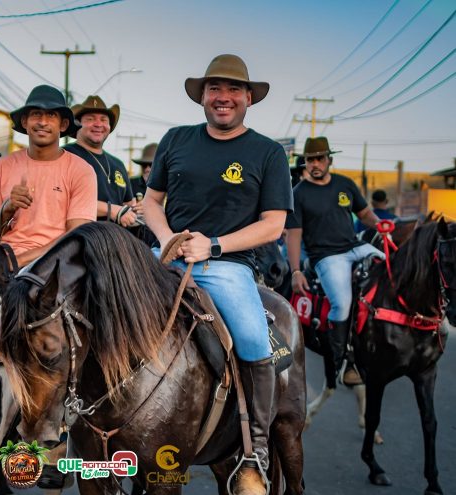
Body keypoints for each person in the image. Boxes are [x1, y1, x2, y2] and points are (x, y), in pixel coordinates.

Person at [142, 54, 291, 495]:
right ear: (203, 96)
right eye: (214, 89)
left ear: (248, 98)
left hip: (226, 265)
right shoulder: (176, 139)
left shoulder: (267, 152)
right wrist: (169, 238)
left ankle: (255, 448)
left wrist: (215, 245)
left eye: (232, 91)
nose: (222, 98)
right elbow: (152, 201)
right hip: (165, 256)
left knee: (252, 340)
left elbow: (273, 223)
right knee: (103, 314)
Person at [286, 136, 382, 387]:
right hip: (327, 258)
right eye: (310, 160)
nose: (315, 164)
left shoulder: (345, 185)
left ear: (329, 160)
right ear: (305, 162)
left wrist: (380, 225)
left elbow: (364, 213)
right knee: (341, 302)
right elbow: (293, 235)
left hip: (356, 247)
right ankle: (342, 361)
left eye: (319, 158)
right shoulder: (299, 194)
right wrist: (296, 271)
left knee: (386, 262)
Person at [0, 85, 97, 267]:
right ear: (25, 122)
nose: (42, 122)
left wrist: (21, 261)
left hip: (58, 265)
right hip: (5, 261)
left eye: (51, 115)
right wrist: (7, 207)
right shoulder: (2, 165)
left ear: (63, 125)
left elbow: (77, 237)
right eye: (36, 114)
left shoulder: (81, 170)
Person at [64, 95, 138, 227]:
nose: (98, 124)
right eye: (90, 119)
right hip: (79, 239)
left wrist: (137, 209)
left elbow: (128, 204)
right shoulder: (65, 155)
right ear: (77, 123)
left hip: (116, 240)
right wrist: (111, 210)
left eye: (103, 119)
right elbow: (61, 199)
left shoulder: (118, 164)